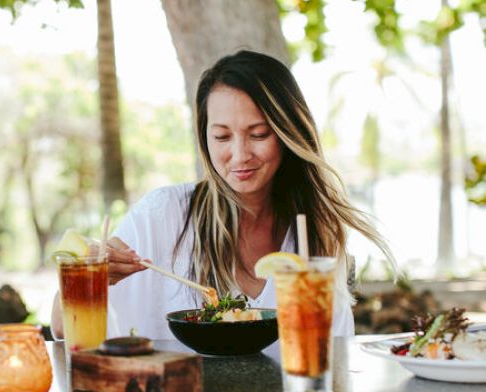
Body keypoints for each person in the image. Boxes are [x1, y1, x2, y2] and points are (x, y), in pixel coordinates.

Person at [51, 50, 395, 340]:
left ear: (288, 134)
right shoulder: (164, 215)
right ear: (205, 139)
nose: (240, 154)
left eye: (258, 134)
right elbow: (63, 328)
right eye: (221, 137)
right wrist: (87, 277)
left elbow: (332, 352)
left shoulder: (315, 234)